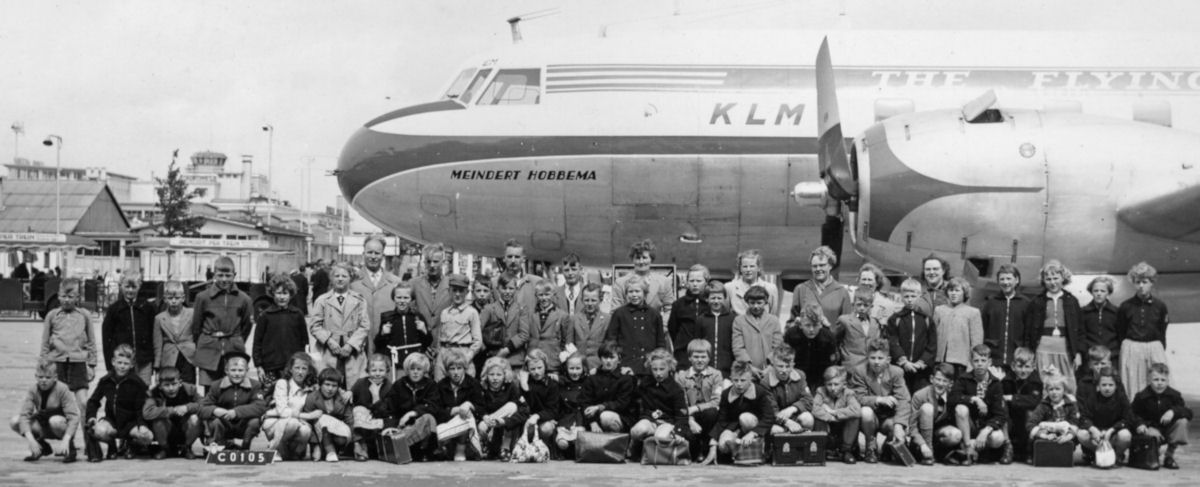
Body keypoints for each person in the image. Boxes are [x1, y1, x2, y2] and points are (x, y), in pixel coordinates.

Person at [192, 256, 254, 388]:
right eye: (220, 275)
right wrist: (206, 340)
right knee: (210, 389)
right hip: (209, 348)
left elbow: (246, 326)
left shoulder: (244, 299)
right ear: (214, 274)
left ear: (235, 275)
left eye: (228, 275)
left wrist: (236, 339)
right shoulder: (202, 297)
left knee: (231, 388)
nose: (224, 279)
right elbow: (196, 327)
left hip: (233, 347)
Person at [1023, 260, 1083, 393]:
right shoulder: (1036, 301)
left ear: (1063, 278)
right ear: (1044, 281)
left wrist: (1078, 352)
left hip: (1065, 347)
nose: (1052, 282)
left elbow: (1079, 330)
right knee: (1045, 382)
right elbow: (1028, 329)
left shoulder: (1072, 301)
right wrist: (1030, 352)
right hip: (1043, 347)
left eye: (1056, 278)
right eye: (1048, 278)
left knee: (1067, 384)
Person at [85, 344, 152, 462]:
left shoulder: (137, 383)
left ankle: (131, 445)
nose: (122, 366)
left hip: (131, 424)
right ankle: (112, 446)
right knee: (97, 430)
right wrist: (91, 417)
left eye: (126, 364)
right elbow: (93, 401)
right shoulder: (106, 381)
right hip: (112, 422)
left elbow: (141, 407)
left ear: (131, 365)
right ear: (113, 362)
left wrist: (141, 424)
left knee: (147, 436)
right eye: (119, 362)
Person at [700, 360, 775, 465]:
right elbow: (722, 420)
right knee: (722, 444)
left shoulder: (759, 392)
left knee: (745, 418)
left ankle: (758, 447)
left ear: (751, 380)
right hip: (736, 428)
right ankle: (740, 452)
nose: (739, 384)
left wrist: (753, 433)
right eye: (736, 380)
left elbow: (769, 417)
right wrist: (713, 441)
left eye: (743, 380)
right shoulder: (726, 394)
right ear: (731, 379)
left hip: (756, 427)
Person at [849, 338, 911, 463]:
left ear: (888, 359)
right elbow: (857, 397)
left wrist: (899, 425)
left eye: (880, 358)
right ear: (867, 358)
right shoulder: (860, 371)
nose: (876, 362)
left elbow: (904, 400)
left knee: (896, 425)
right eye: (872, 358)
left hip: (888, 417)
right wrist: (878, 399)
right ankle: (870, 447)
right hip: (870, 419)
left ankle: (888, 447)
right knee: (866, 412)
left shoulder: (896, 372)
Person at [40, 277, 97, 411]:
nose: (66, 300)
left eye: (70, 296)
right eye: (63, 296)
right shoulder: (52, 316)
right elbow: (45, 343)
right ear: (58, 296)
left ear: (77, 297)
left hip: (78, 363)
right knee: (56, 405)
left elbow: (92, 341)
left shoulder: (85, 315)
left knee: (83, 403)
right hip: (57, 363)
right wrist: (44, 364)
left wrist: (92, 365)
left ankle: (87, 432)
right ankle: (62, 431)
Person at [310, 263, 371, 386]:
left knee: (353, 383)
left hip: (352, 351)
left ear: (350, 278)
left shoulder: (359, 300)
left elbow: (364, 326)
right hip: (329, 350)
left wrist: (351, 345)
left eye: (344, 276)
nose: (340, 279)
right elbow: (314, 326)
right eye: (336, 276)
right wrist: (329, 341)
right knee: (330, 382)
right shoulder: (322, 300)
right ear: (331, 279)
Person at [1117, 262, 1171, 399]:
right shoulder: (1125, 306)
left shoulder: (1160, 306)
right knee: (1133, 382)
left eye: (1145, 282)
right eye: (1138, 282)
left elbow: (1162, 328)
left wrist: (1159, 348)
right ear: (1134, 283)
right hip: (1132, 347)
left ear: (1151, 283)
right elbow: (1121, 330)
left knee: (1156, 380)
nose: (1141, 286)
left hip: (1153, 346)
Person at [951, 344, 1011, 465]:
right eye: (976, 360)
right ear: (971, 362)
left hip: (986, 426)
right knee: (960, 408)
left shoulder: (995, 383)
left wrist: (986, 431)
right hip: (968, 426)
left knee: (997, 438)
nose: (979, 364)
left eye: (983, 361)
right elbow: (952, 398)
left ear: (989, 362)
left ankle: (983, 451)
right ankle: (968, 448)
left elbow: (1000, 415)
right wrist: (974, 399)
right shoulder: (963, 379)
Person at [10, 360, 80, 463]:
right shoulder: (33, 390)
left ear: (55, 377)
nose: (43, 380)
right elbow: (24, 416)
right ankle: (42, 447)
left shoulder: (63, 389)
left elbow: (74, 417)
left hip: (59, 425)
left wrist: (66, 439)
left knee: (54, 421)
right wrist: (31, 440)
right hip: (43, 424)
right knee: (15, 421)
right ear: (36, 376)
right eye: (40, 377)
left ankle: (70, 449)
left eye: (48, 377)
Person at [198, 351, 267, 454]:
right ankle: (217, 446)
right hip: (224, 423)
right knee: (216, 422)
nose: (237, 374)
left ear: (246, 371)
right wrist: (215, 410)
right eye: (233, 370)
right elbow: (202, 408)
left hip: (242, 424)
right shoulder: (216, 385)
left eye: (240, 370)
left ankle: (245, 448)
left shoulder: (255, 385)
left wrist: (236, 412)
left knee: (255, 422)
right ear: (226, 371)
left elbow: (260, 406)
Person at [629, 349, 689, 460]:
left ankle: (651, 453)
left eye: (662, 369)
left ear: (669, 368)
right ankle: (635, 447)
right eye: (654, 369)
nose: (658, 373)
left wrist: (679, 432)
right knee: (637, 430)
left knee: (661, 437)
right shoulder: (645, 384)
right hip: (650, 421)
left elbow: (682, 415)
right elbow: (634, 398)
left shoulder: (676, 389)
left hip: (667, 423)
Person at [380, 353, 439, 461]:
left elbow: (433, 406)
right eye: (412, 369)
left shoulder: (431, 385)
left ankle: (398, 447)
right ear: (407, 370)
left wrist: (412, 413)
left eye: (419, 369)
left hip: (421, 426)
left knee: (428, 418)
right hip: (402, 426)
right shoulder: (399, 384)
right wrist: (390, 426)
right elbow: (390, 408)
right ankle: (398, 446)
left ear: (424, 370)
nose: (415, 372)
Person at [1131, 363, 1190, 470]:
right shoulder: (1141, 397)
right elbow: (1132, 414)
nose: (1159, 383)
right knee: (1152, 460)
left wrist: (1173, 411)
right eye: (1156, 379)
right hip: (1150, 431)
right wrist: (1145, 425)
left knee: (1182, 422)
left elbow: (1188, 412)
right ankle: (1153, 453)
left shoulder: (1174, 395)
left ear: (1168, 380)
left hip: (1167, 429)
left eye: (1163, 380)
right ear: (1149, 380)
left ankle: (1169, 455)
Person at [350, 235, 402, 356]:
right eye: (370, 252)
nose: (373, 256)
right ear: (363, 254)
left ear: (383, 256)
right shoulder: (352, 282)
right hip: (359, 349)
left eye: (377, 253)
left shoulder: (395, 283)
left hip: (387, 348)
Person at [605, 275, 668, 375]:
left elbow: (660, 343)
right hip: (624, 365)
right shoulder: (619, 313)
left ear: (645, 293)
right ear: (626, 294)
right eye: (630, 292)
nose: (634, 295)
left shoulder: (654, 314)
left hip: (648, 366)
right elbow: (611, 341)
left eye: (637, 291)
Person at [253, 274, 308, 387]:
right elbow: (257, 342)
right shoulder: (265, 315)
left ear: (291, 294)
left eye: (285, 293)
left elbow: (305, 341)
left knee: (291, 393)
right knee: (268, 394)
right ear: (272, 294)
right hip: (270, 367)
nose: (282, 297)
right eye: (278, 293)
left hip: (292, 367)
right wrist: (259, 366)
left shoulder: (297, 314)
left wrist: (303, 362)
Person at [102, 272, 156, 384]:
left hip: (144, 361)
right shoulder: (114, 310)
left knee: (143, 393)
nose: (130, 290)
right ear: (121, 286)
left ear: (139, 286)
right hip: (122, 361)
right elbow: (106, 338)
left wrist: (153, 361)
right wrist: (109, 364)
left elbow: (153, 335)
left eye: (134, 287)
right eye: (127, 286)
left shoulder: (148, 308)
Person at [1076, 367, 1137, 466]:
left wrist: (1112, 430)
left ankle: (1116, 456)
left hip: (1114, 433)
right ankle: (1100, 453)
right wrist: (1093, 429)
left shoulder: (1121, 398)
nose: (1107, 388)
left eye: (1110, 385)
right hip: (1098, 435)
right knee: (1081, 434)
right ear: (1098, 386)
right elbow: (1084, 417)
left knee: (1125, 435)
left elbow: (1127, 418)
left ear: (1116, 386)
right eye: (1104, 385)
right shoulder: (1093, 398)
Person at [677, 339, 725, 461]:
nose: (699, 360)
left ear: (709, 358)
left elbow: (716, 401)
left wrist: (696, 408)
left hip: (709, 416)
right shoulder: (682, 376)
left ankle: (706, 447)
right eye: (696, 356)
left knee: (711, 412)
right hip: (689, 416)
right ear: (689, 358)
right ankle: (695, 448)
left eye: (703, 356)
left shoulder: (716, 375)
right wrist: (690, 420)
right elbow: (681, 403)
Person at [263, 352, 316, 461]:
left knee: (306, 431)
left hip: (298, 423)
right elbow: (283, 411)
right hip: (275, 422)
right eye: (297, 368)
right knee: (292, 423)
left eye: (304, 369)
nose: (300, 372)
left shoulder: (309, 388)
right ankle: (275, 448)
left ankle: (293, 452)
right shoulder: (282, 383)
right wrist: (305, 416)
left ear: (308, 371)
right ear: (290, 369)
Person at [433, 349, 485, 462]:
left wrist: (469, 404)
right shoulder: (441, 386)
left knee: (467, 415)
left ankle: (459, 449)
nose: (456, 372)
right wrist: (454, 410)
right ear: (447, 371)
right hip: (448, 423)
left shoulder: (473, 384)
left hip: (466, 428)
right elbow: (437, 411)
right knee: (461, 415)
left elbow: (482, 408)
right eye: (452, 369)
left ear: (465, 369)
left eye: (459, 368)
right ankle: (443, 439)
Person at [141, 366, 201, 459]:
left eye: (174, 384)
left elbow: (203, 405)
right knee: (158, 421)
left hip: (185, 428)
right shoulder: (153, 393)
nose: (171, 388)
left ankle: (187, 448)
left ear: (180, 383)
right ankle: (165, 449)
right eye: (167, 385)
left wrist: (187, 407)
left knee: (195, 419)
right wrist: (172, 410)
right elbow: (147, 412)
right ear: (160, 385)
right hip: (165, 429)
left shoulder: (190, 390)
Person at [889, 278, 937, 393]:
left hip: (921, 370)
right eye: (906, 296)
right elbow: (892, 341)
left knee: (919, 398)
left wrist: (922, 362)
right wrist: (903, 361)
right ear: (901, 296)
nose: (910, 300)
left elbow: (932, 344)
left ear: (919, 296)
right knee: (901, 396)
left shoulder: (926, 319)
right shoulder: (895, 319)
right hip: (900, 368)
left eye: (913, 296)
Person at [476, 357, 529, 460]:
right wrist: (484, 416)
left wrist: (505, 421)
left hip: (507, 429)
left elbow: (524, 411)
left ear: (505, 375)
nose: (495, 378)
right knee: (482, 426)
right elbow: (479, 407)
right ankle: (486, 444)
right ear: (486, 376)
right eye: (491, 374)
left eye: (499, 375)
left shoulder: (511, 387)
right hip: (487, 430)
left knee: (512, 406)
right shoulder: (482, 388)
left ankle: (505, 448)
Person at [980, 264, 1032, 368]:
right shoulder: (990, 303)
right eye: (1002, 279)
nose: (1005, 282)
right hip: (993, 356)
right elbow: (983, 328)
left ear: (1016, 280)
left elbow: (1029, 331)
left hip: (1017, 357)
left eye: (1009, 278)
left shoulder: (1026, 303)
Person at [909, 363, 962, 466]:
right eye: (938, 379)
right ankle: (927, 453)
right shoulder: (919, 395)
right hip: (922, 438)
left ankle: (944, 453)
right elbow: (912, 427)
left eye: (944, 381)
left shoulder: (953, 395)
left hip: (939, 434)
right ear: (931, 379)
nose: (940, 384)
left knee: (956, 434)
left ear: (950, 383)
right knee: (927, 408)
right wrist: (922, 444)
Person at [375, 283, 432, 378]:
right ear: (394, 298)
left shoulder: (418, 317)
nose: (402, 301)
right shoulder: (387, 318)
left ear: (411, 299)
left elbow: (427, 342)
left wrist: (424, 331)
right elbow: (378, 344)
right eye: (399, 297)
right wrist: (382, 334)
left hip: (415, 365)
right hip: (396, 365)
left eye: (406, 298)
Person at [433, 274, 483, 381]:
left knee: (464, 386)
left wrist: (467, 357)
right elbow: (439, 337)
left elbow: (477, 341)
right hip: (444, 353)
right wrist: (439, 355)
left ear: (467, 292)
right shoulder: (445, 312)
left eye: (461, 291)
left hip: (462, 352)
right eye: (454, 290)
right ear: (449, 291)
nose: (457, 294)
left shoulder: (471, 312)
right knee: (440, 386)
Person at [300, 368, 355, 462]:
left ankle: (332, 451)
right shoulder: (312, 398)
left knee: (339, 433)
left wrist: (353, 443)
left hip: (338, 436)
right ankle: (329, 452)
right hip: (320, 436)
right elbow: (308, 423)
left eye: (334, 386)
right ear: (320, 384)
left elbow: (349, 420)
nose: (330, 389)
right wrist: (315, 444)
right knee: (321, 417)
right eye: (327, 384)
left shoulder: (342, 397)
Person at [580, 342, 636, 433]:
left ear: (619, 359)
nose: (608, 361)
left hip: (620, 417)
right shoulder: (593, 377)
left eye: (612, 357)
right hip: (595, 418)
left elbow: (622, 403)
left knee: (606, 417)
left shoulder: (625, 377)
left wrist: (600, 407)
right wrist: (592, 422)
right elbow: (585, 401)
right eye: (605, 357)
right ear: (600, 359)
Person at [609, 239, 677, 314]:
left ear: (651, 259)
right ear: (633, 260)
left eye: (644, 258)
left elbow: (670, 310)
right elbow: (615, 311)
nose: (641, 262)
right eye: (638, 258)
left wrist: (661, 325)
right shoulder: (620, 283)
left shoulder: (664, 282)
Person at [933, 277, 984, 376]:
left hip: (961, 362)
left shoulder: (973, 312)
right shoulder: (939, 310)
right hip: (940, 360)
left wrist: (972, 363)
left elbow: (977, 342)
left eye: (957, 290)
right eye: (951, 290)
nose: (953, 293)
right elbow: (933, 336)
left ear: (964, 293)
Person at [791, 246, 852, 327]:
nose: (818, 269)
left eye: (822, 265)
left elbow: (847, 325)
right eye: (814, 266)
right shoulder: (801, 289)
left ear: (830, 266)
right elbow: (791, 322)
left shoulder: (842, 292)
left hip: (832, 339)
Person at [784, 303, 838, 393]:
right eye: (807, 325)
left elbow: (832, 366)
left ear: (821, 324)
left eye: (815, 325)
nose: (812, 329)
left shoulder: (828, 337)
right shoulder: (791, 335)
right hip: (796, 378)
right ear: (800, 325)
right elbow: (785, 360)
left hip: (820, 380)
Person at [761, 345, 815, 435]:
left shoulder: (800, 375)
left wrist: (792, 409)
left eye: (788, 366)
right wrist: (786, 422)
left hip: (794, 415)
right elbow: (770, 410)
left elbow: (808, 400)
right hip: (775, 419)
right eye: (780, 366)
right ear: (773, 365)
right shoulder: (765, 382)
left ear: (793, 364)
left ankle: (804, 445)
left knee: (808, 418)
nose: (784, 370)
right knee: (777, 430)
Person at [813, 365, 862, 464]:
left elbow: (856, 410)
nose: (832, 388)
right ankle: (822, 448)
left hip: (843, 429)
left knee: (854, 418)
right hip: (827, 427)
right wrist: (830, 418)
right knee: (817, 418)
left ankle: (846, 450)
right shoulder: (821, 391)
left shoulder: (848, 393)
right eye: (829, 384)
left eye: (836, 384)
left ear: (844, 385)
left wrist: (834, 412)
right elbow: (814, 408)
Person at [1001, 347, 1042, 463]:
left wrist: (1013, 398)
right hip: (1010, 418)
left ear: (1033, 366)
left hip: (1026, 421)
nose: (1023, 370)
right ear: (1013, 366)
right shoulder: (1006, 380)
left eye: (1027, 367)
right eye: (1020, 366)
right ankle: (1007, 446)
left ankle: (1029, 448)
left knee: (1031, 411)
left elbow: (1035, 401)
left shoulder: (1036, 381)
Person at [1025, 372, 1080, 457]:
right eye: (1051, 389)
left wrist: (1068, 436)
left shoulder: (1071, 404)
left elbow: (1075, 422)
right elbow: (1030, 423)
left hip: (1066, 434)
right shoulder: (1043, 405)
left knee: (1076, 433)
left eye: (1058, 389)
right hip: (1048, 435)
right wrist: (1044, 435)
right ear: (1047, 391)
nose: (1054, 392)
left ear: (1064, 390)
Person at [349, 354, 393, 460]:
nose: (377, 374)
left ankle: (376, 449)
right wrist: (348, 393)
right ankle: (360, 446)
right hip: (361, 420)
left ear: (387, 371)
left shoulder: (390, 387)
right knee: (358, 410)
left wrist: (376, 397)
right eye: (374, 370)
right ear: (368, 371)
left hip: (379, 418)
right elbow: (352, 398)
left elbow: (386, 412)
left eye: (381, 370)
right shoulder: (360, 383)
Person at [668, 264, 710, 369]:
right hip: (683, 352)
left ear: (706, 282)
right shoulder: (678, 304)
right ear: (687, 283)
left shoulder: (710, 304)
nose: (695, 284)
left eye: (699, 281)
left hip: (705, 352)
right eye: (692, 281)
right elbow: (673, 329)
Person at [731, 285, 781, 372]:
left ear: (765, 302)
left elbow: (777, 346)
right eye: (752, 303)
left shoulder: (774, 320)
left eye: (759, 303)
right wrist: (749, 366)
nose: (756, 306)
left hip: (770, 368)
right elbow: (738, 347)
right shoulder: (739, 321)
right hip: (747, 369)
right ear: (747, 302)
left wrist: (770, 366)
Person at [834, 288, 884, 369]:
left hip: (870, 367)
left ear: (871, 306)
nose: (862, 308)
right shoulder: (844, 320)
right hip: (851, 366)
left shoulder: (875, 323)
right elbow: (835, 341)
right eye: (859, 304)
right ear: (853, 304)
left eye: (865, 305)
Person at [521, 350, 561, 453]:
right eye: (532, 369)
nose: (537, 372)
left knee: (546, 428)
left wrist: (537, 416)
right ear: (527, 369)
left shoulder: (552, 384)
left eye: (540, 368)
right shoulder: (525, 383)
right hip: (526, 420)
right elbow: (524, 404)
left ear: (545, 366)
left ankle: (543, 450)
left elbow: (553, 410)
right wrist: (525, 387)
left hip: (543, 419)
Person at [526, 280, 571, 373]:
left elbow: (565, 340)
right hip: (534, 362)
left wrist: (559, 356)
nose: (544, 298)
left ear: (553, 295)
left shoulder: (562, 315)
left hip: (553, 362)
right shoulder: (530, 314)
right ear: (536, 296)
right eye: (540, 295)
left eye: (547, 294)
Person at [554, 353, 590, 456]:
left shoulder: (587, 382)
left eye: (578, 368)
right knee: (562, 442)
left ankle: (575, 445)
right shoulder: (561, 383)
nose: (575, 372)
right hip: (565, 419)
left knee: (579, 440)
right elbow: (557, 404)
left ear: (584, 368)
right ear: (566, 369)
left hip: (580, 419)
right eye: (572, 368)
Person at [698, 280, 737, 376]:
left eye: (719, 298)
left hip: (727, 368)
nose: (716, 301)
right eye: (713, 298)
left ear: (724, 299)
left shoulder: (732, 319)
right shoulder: (701, 319)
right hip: (706, 368)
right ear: (707, 299)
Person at [568, 283, 609, 370]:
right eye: (586, 300)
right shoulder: (574, 319)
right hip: (579, 366)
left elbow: (608, 347)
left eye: (593, 300)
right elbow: (569, 344)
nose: (590, 304)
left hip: (599, 366)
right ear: (582, 300)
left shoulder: (607, 319)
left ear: (600, 300)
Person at [413, 244, 452, 334]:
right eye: (428, 261)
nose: (432, 265)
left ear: (443, 262)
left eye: (435, 261)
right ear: (424, 262)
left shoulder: (450, 284)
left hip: (443, 339)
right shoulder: (415, 283)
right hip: (421, 338)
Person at [725, 250, 779, 316]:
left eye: (752, 266)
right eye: (745, 266)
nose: (748, 270)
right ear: (740, 269)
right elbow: (726, 314)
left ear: (758, 268)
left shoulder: (770, 288)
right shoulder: (729, 288)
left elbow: (773, 315)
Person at [499, 239, 544, 312]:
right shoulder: (495, 283)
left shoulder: (536, 282)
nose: (513, 261)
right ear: (504, 258)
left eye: (517, 257)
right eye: (510, 257)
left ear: (523, 259)